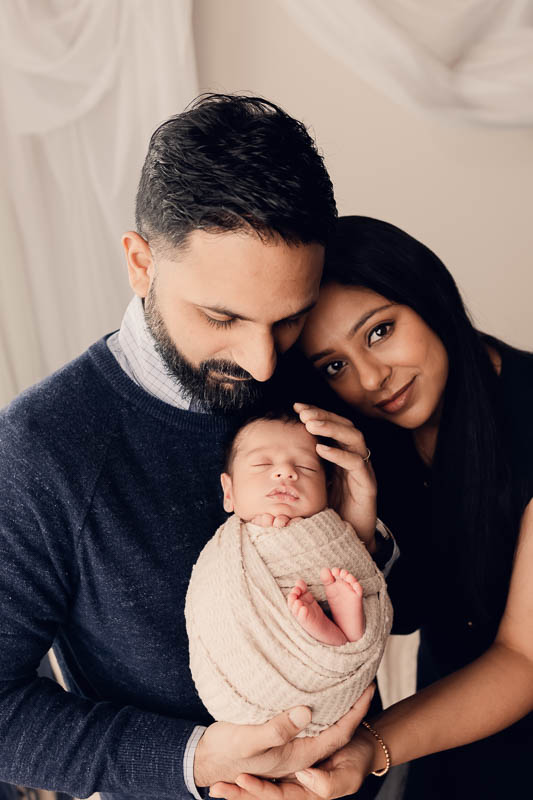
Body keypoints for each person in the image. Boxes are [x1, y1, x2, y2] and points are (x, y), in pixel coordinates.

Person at [0, 99, 388, 800]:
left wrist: (363, 522)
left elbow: (416, 607)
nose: (263, 362)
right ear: (140, 263)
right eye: (221, 316)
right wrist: (196, 759)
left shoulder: (322, 378)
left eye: (288, 318)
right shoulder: (41, 448)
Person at [208, 215, 533, 800]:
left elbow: (522, 659)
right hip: (445, 733)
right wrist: (357, 512)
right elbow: (397, 613)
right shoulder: (359, 441)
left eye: (380, 331)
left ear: (428, 296)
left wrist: (370, 746)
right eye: (335, 365)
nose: (372, 377)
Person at [185, 411, 393, 735]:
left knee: (344, 580)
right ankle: (334, 637)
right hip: (249, 680)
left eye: (306, 467)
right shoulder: (224, 551)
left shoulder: (332, 530)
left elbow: (360, 566)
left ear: (328, 489)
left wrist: (332, 538)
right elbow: (209, 603)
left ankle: (341, 635)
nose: (285, 472)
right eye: (262, 465)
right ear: (229, 492)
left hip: (337, 692)